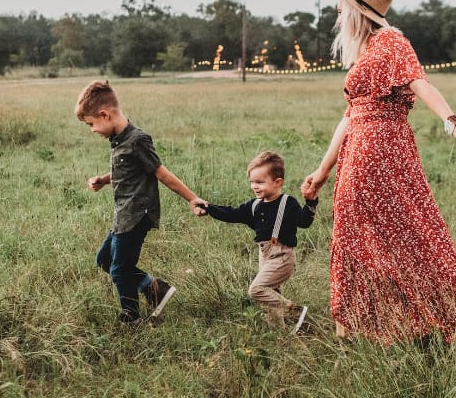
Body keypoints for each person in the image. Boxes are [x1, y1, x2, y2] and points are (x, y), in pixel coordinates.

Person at [301, 0, 456, 346]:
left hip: (380, 150)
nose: (336, 12)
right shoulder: (366, 50)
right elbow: (350, 116)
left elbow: (421, 83)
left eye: (341, 5)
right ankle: (370, 327)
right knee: (361, 236)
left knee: (408, 236)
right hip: (359, 149)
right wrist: (322, 169)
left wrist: (453, 123)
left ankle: (433, 323)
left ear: (358, 10)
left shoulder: (391, 42)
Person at [76, 80, 200, 325]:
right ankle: (155, 289)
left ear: (105, 114)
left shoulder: (137, 139)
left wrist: (193, 198)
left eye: (91, 124)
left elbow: (161, 173)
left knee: (119, 269)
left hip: (136, 215)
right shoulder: (119, 140)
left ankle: (131, 317)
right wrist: (103, 179)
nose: (92, 130)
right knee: (104, 260)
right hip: (123, 214)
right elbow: (128, 170)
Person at [193, 151, 316, 334]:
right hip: (264, 255)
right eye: (252, 182)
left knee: (257, 290)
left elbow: (304, 221)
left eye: (260, 182)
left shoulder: (287, 203)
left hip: (282, 256)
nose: (254, 186)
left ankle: (294, 311)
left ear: (278, 182)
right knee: (270, 297)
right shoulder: (255, 206)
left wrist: (311, 202)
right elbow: (231, 213)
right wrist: (208, 207)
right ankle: (280, 335)